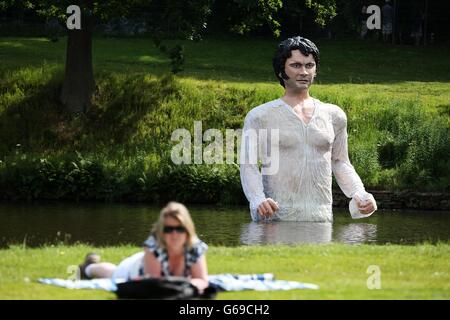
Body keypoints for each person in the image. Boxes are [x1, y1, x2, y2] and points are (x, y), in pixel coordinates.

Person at [239, 36, 377, 222]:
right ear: (281, 71)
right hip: (276, 218)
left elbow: (340, 161)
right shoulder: (260, 116)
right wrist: (257, 199)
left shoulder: (334, 115)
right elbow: (248, 165)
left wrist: (359, 192)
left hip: (320, 218)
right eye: (296, 65)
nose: (304, 71)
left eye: (309, 65)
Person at [78, 202, 209, 293]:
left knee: (112, 272)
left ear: (187, 229)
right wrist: (186, 285)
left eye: (179, 229)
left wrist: (190, 285)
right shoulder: (153, 245)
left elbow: (202, 280)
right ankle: (88, 267)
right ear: (161, 231)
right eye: (169, 229)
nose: (174, 234)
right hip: (133, 270)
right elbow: (155, 285)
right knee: (112, 274)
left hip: (153, 274)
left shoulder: (195, 246)